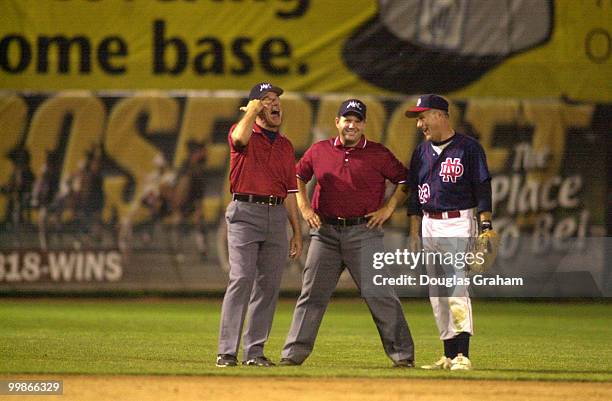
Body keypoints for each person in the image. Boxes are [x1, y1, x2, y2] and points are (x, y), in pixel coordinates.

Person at [279, 99, 415, 367]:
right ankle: (292, 356)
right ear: (337, 122)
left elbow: (405, 180)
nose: (351, 125)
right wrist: (305, 207)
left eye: (356, 120)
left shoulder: (378, 153)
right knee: (312, 296)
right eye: (347, 119)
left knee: (380, 294)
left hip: (363, 232)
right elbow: (297, 176)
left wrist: (388, 208)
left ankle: (403, 356)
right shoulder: (320, 151)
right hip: (325, 232)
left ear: (363, 125)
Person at [404, 94, 493, 371]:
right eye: (418, 119)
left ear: (440, 114)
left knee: (456, 288)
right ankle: (448, 354)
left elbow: (483, 187)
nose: (420, 124)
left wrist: (486, 224)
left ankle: (463, 355)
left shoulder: (469, 148)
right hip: (429, 222)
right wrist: (414, 231)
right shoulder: (420, 152)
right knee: (436, 292)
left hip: (458, 221)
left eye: (422, 117)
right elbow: (414, 197)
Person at [216, 82, 302, 368]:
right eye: (266, 99)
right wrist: (252, 111)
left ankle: (254, 352)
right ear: (254, 106)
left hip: (276, 215)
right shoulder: (242, 132)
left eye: (277, 98)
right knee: (241, 278)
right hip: (245, 211)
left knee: (268, 286)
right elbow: (239, 138)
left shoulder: (286, 145)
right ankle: (227, 352)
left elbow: (291, 193)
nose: (274, 103)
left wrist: (297, 232)